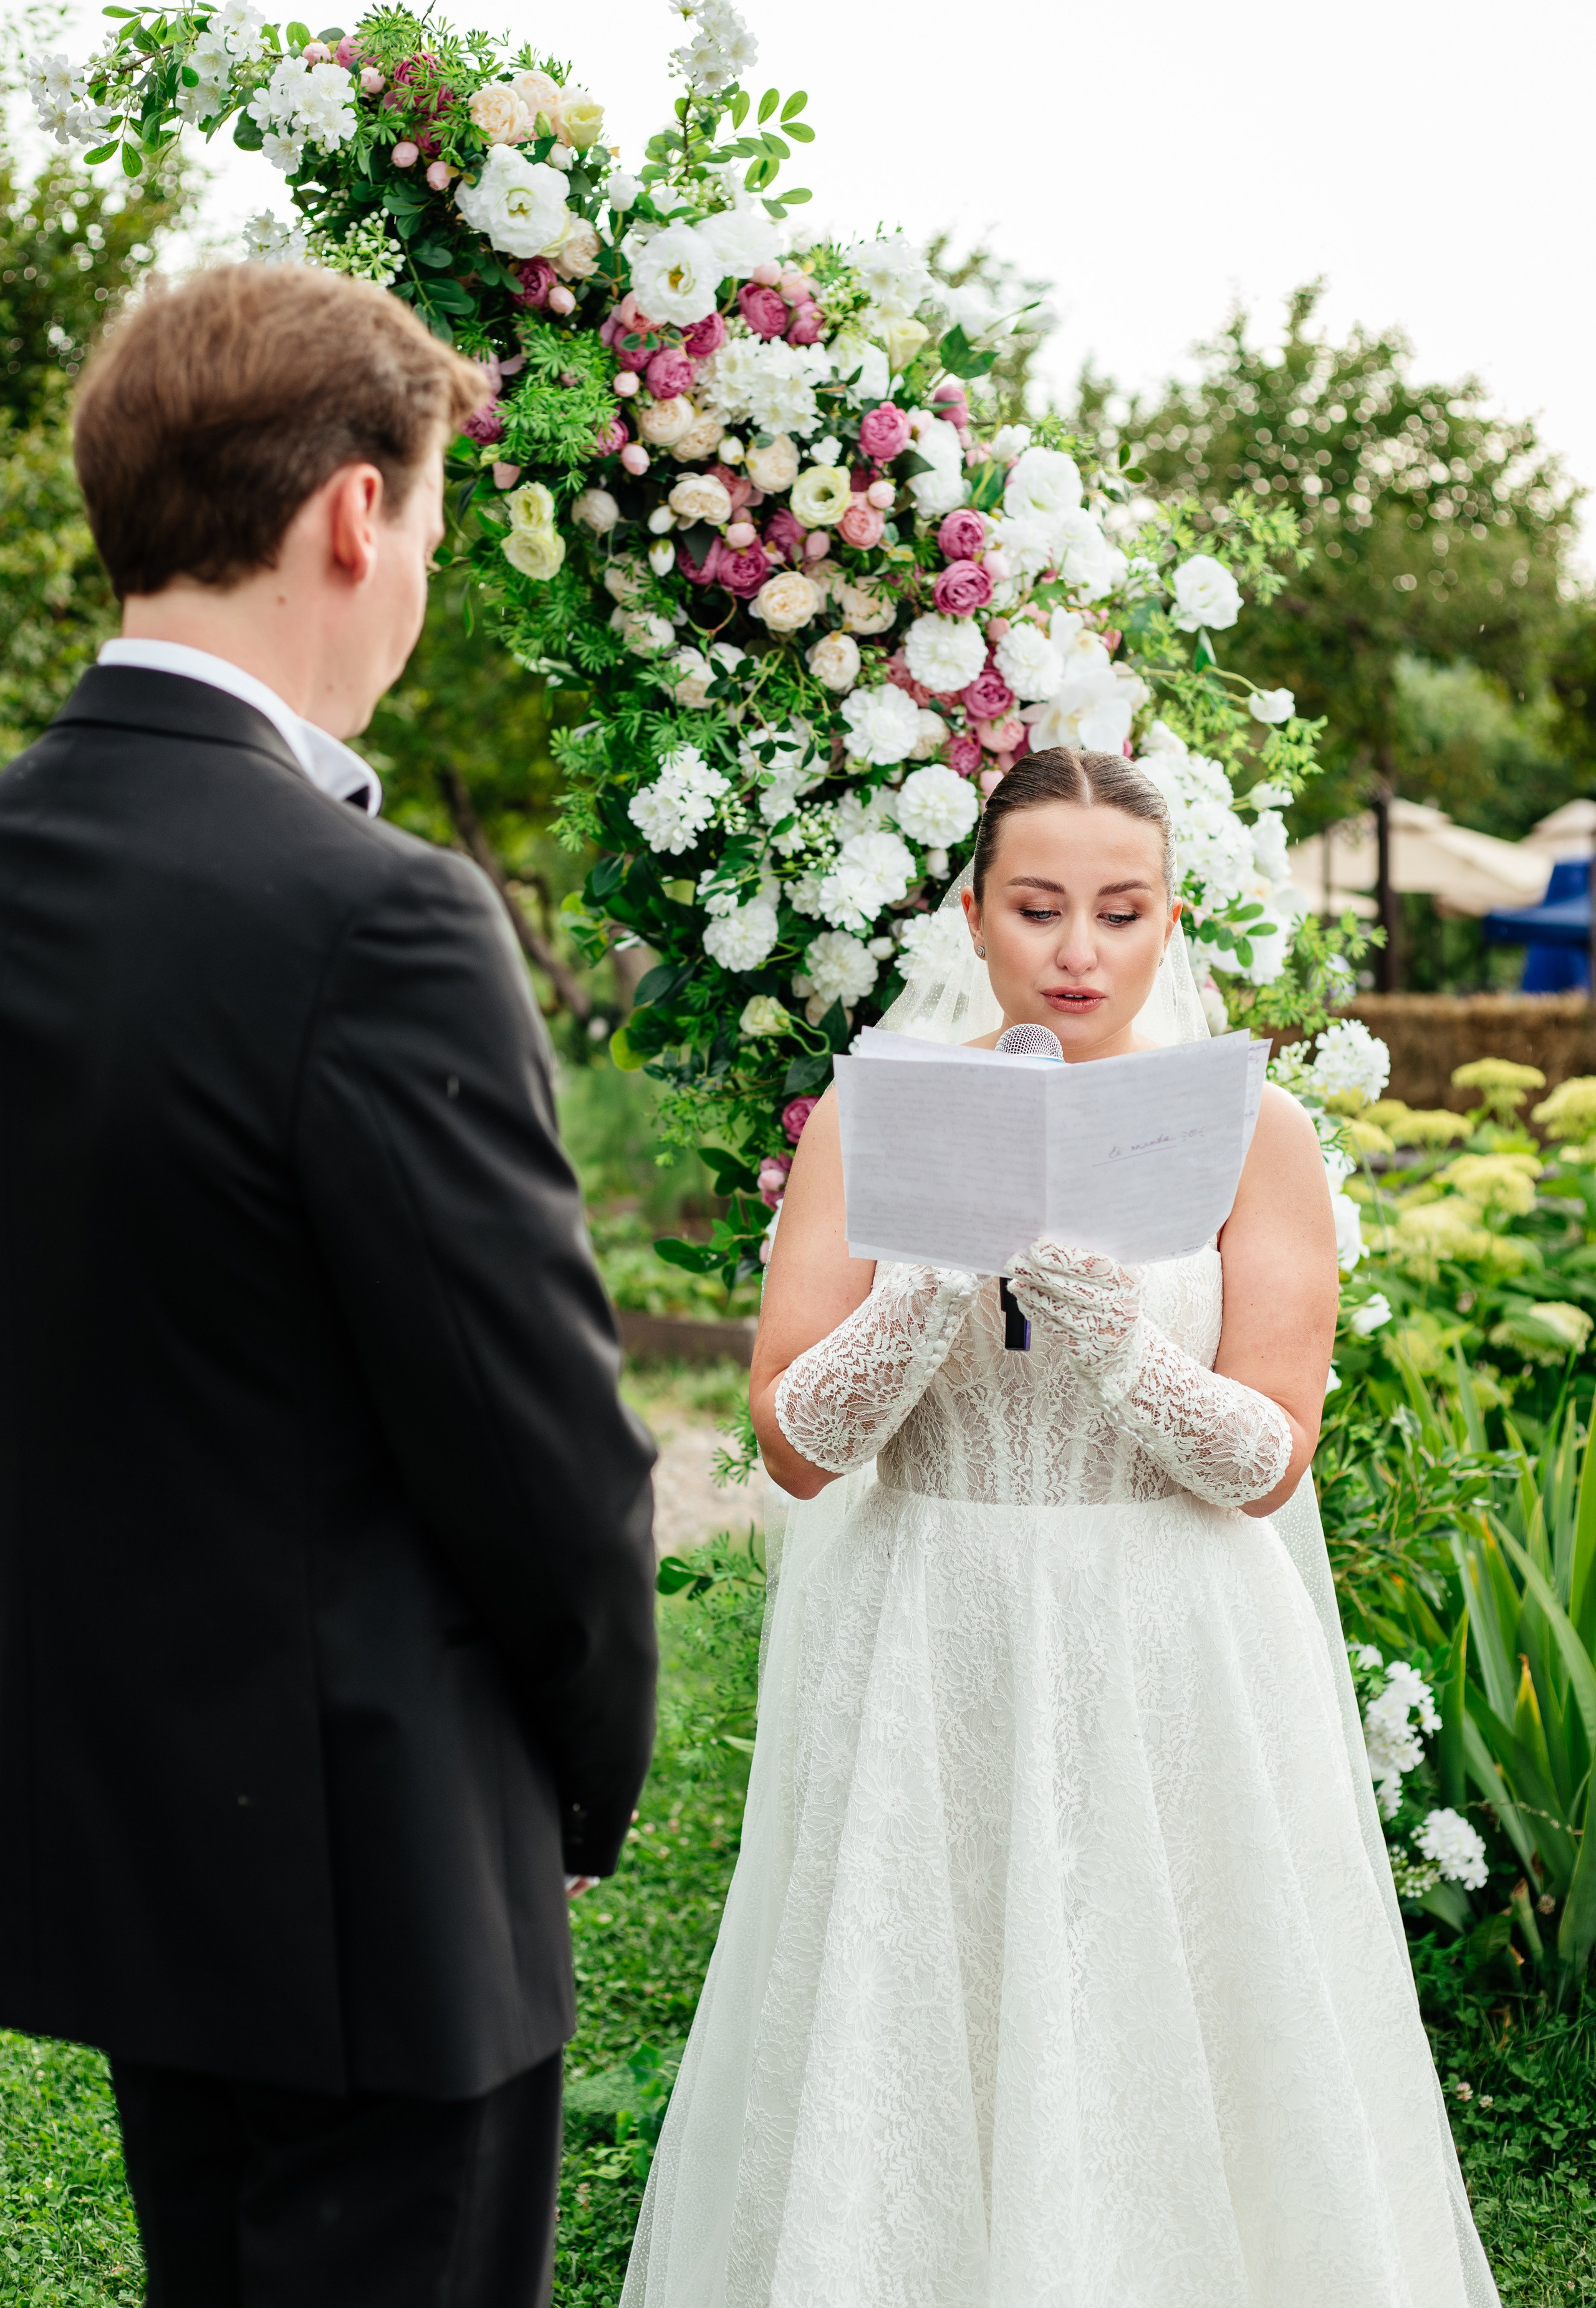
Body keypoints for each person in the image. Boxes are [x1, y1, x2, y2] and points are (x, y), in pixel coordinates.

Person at [623, 748, 1499, 2307]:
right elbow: (792, 1447)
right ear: (971, 914)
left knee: (1179, 2031)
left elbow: (1266, 1462)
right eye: (1036, 908)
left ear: (1172, 922)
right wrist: (922, 1298)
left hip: (1169, 1639)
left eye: (1119, 909)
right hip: (931, 1627)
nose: (1077, 950)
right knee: (920, 2020)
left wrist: (1117, 1341)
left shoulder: (1254, 1138)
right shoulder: (864, 1123)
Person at [0, 262, 658, 2308]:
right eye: (437, 538)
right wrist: (584, 1763)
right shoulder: (374, 917)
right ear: (356, 515)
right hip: (383, 1875)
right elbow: (539, 1451)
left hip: (123, 1847)